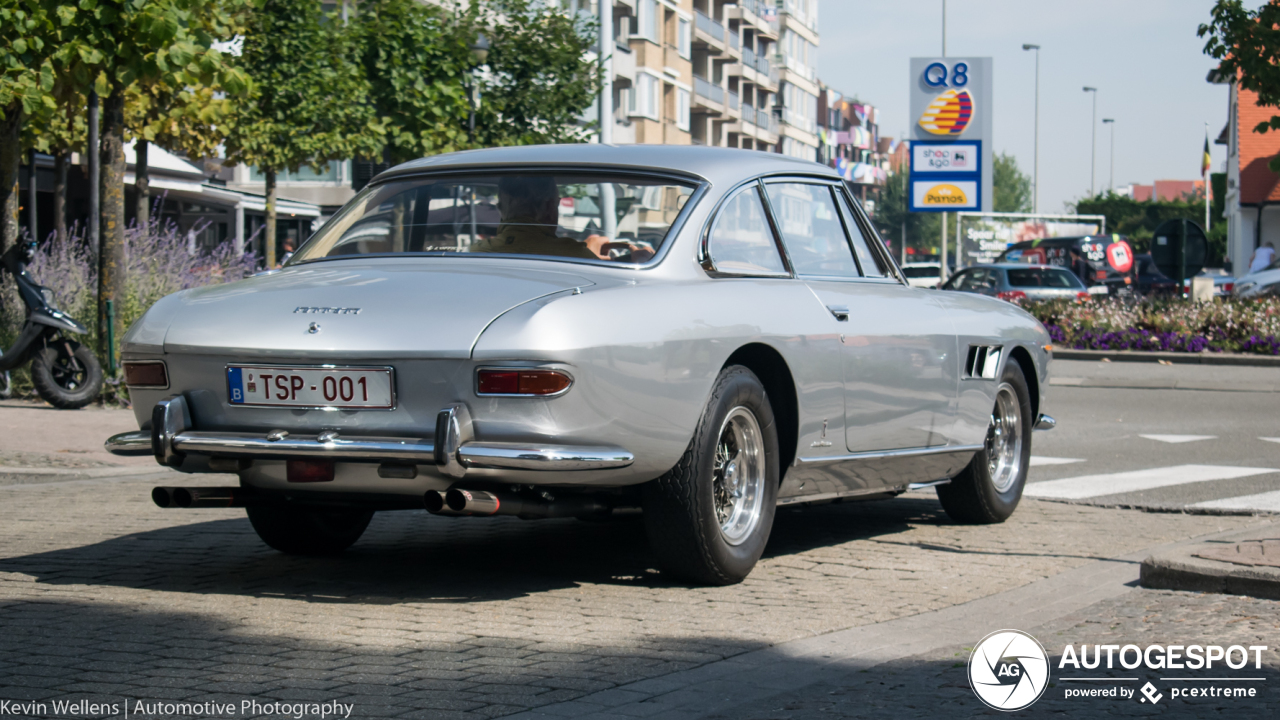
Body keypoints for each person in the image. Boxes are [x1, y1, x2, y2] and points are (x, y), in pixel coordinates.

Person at [471, 176, 597, 260]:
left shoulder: (475, 252)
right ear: (549, 207)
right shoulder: (574, 255)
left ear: (501, 210)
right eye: (556, 203)